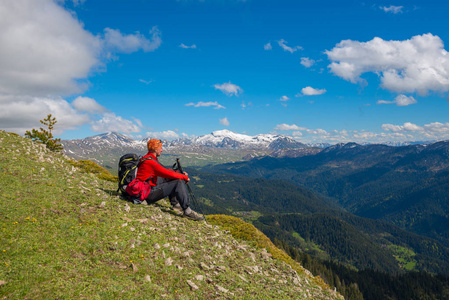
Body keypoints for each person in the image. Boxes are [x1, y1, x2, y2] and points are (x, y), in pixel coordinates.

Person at [134, 138, 204, 221]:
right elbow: (168, 173)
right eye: (160, 148)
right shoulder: (151, 162)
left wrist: (178, 173)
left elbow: (164, 170)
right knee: (177, 182)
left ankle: (176, 205)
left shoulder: (148, 158)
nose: (162, 150)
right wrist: (184, 177)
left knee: (170, 178)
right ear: (155, 149)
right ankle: (187, 212)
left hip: (144, 190)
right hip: (146, 194)